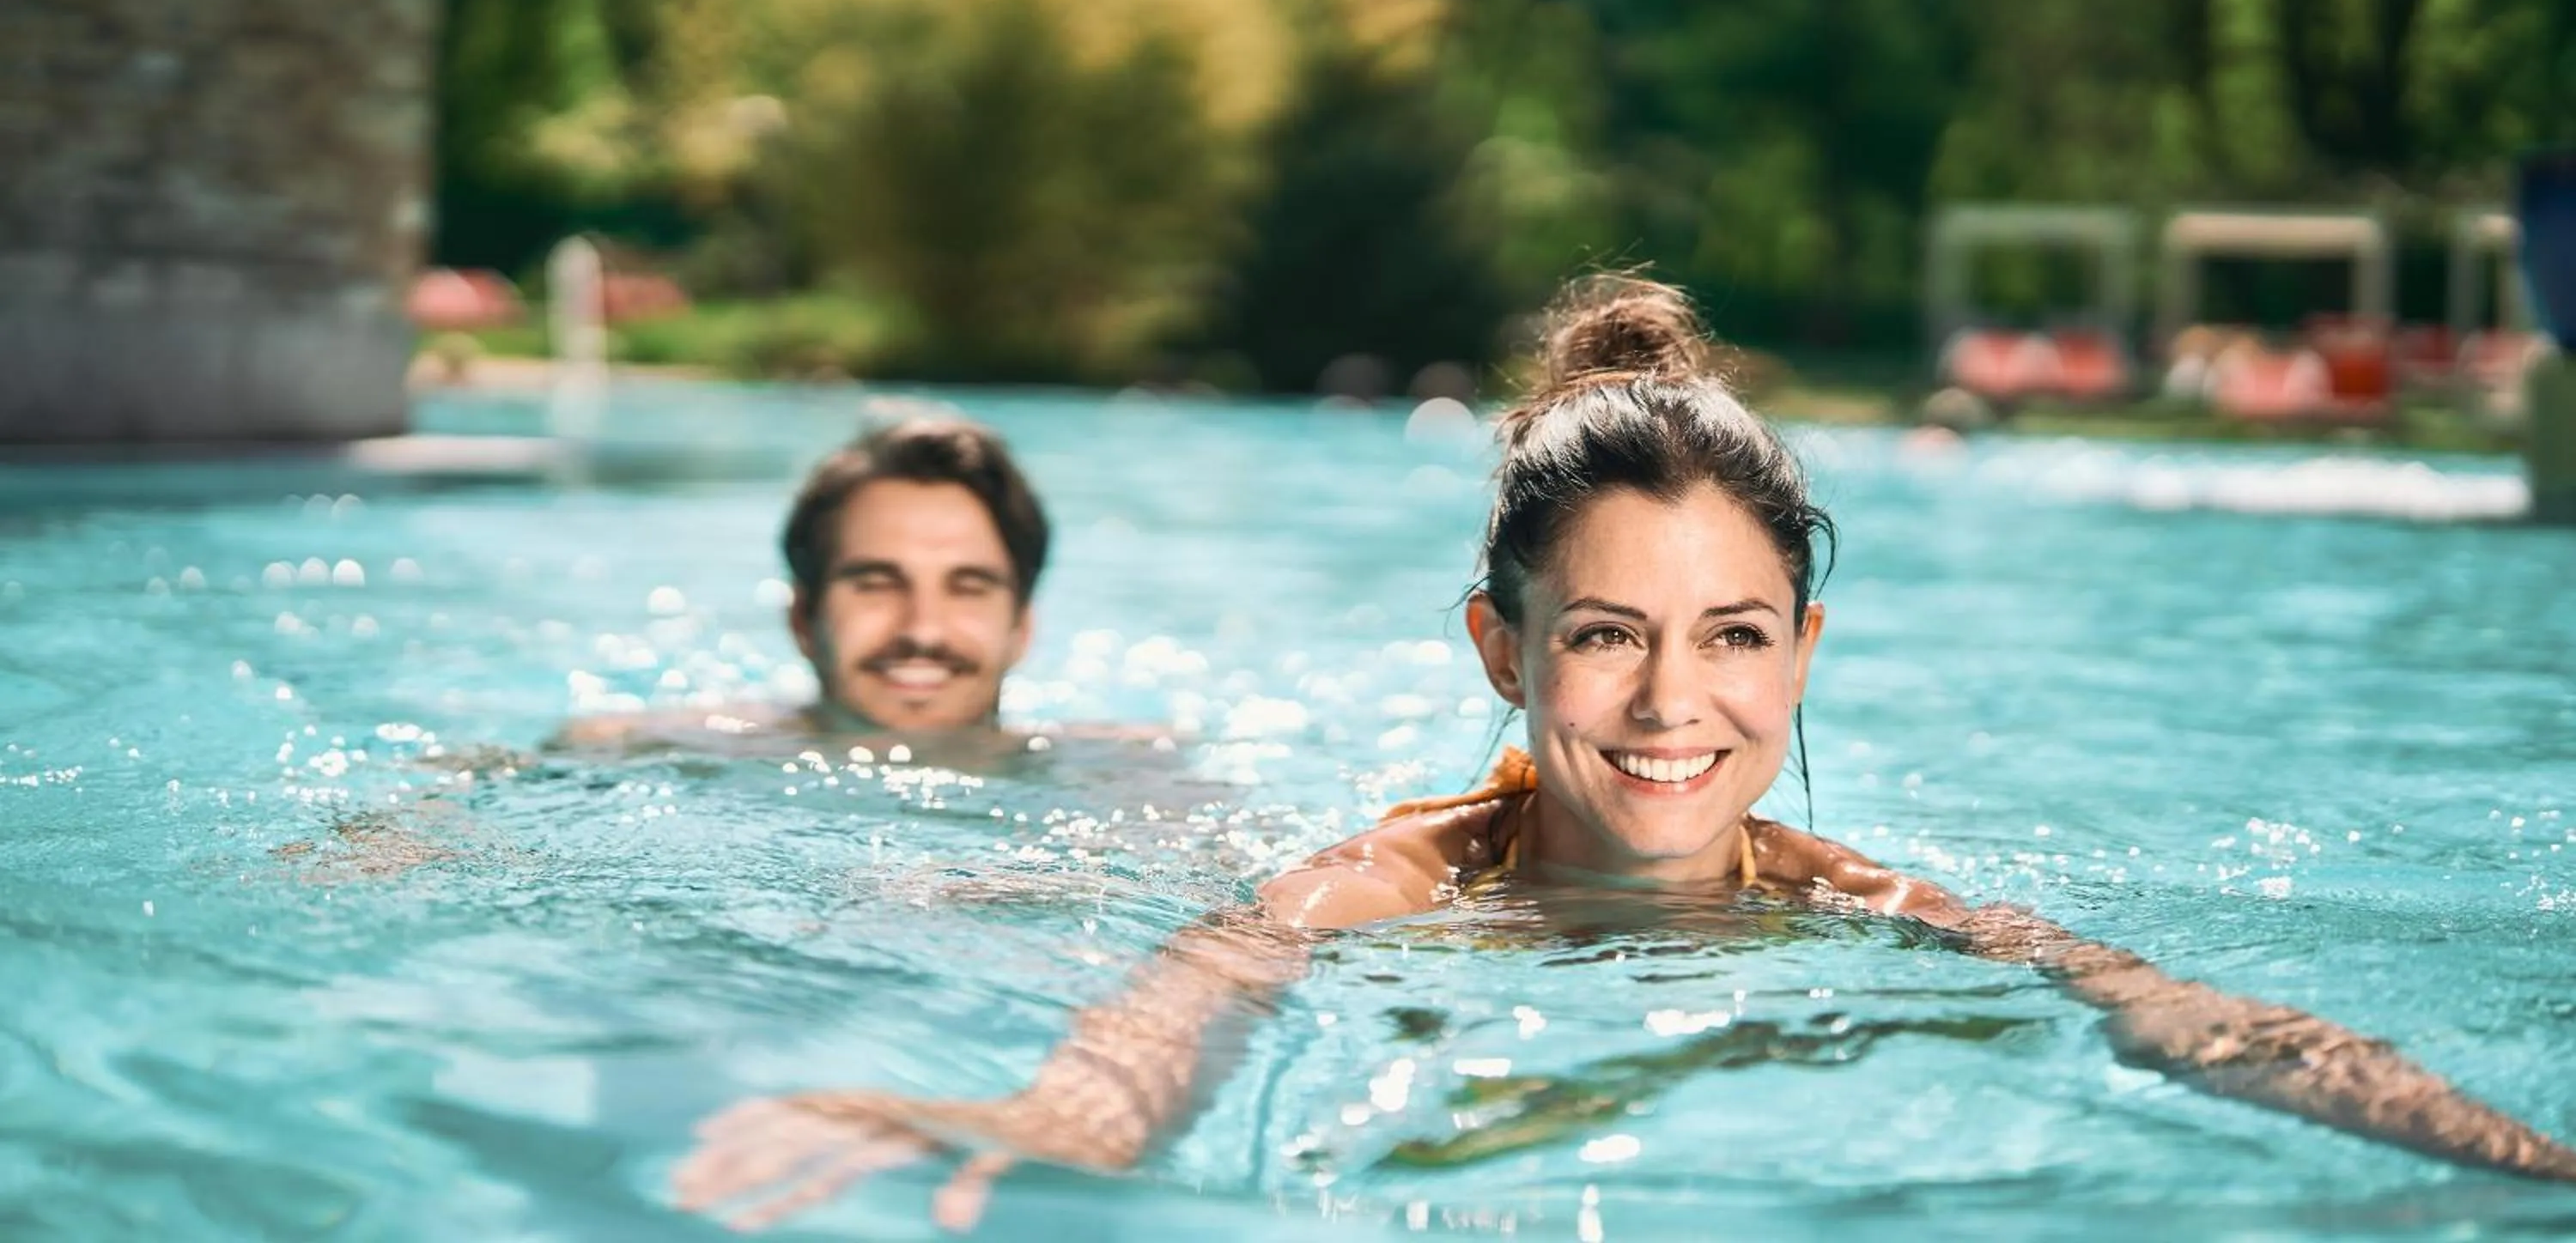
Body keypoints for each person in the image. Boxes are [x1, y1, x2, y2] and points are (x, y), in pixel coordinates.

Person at [674, 276, 2576, 1231]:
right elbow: (1188, 1004)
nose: (1675, 704)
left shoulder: (1857, 899)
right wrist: (1055, 1125)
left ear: (1802, 656)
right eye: (1604, 635)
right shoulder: (1392, 881)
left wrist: (2520, 1160)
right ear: (1503, 650)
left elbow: (2181, 1018)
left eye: (1734, 636)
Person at [555, 416, 1084, 762]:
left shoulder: (1115, 782)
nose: (922, 629)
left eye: (968, 588)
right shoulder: (636, 756)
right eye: (875, 584)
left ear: (1021, 627)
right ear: (803, 619)